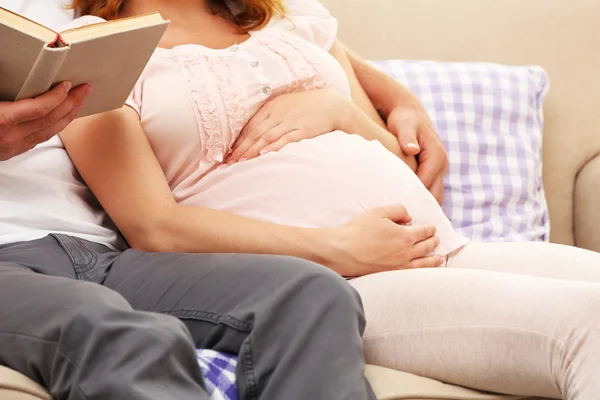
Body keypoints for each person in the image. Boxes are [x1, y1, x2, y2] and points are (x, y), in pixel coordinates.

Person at [60, 0, 600, 399]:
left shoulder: (279, 15)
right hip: (340, 289)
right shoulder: (94, 51)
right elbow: (155, 228)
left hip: (444, 248)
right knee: (586, 324)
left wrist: (339, 113)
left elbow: (396, 153)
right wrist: (338, 248)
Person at [0, 1, 453, 399]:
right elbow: (154, 224)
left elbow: (314, 41)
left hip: (98, 251)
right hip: (11, 254)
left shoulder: (64, 14)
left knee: (312, 293)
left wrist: (396, 95)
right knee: (116, 333)